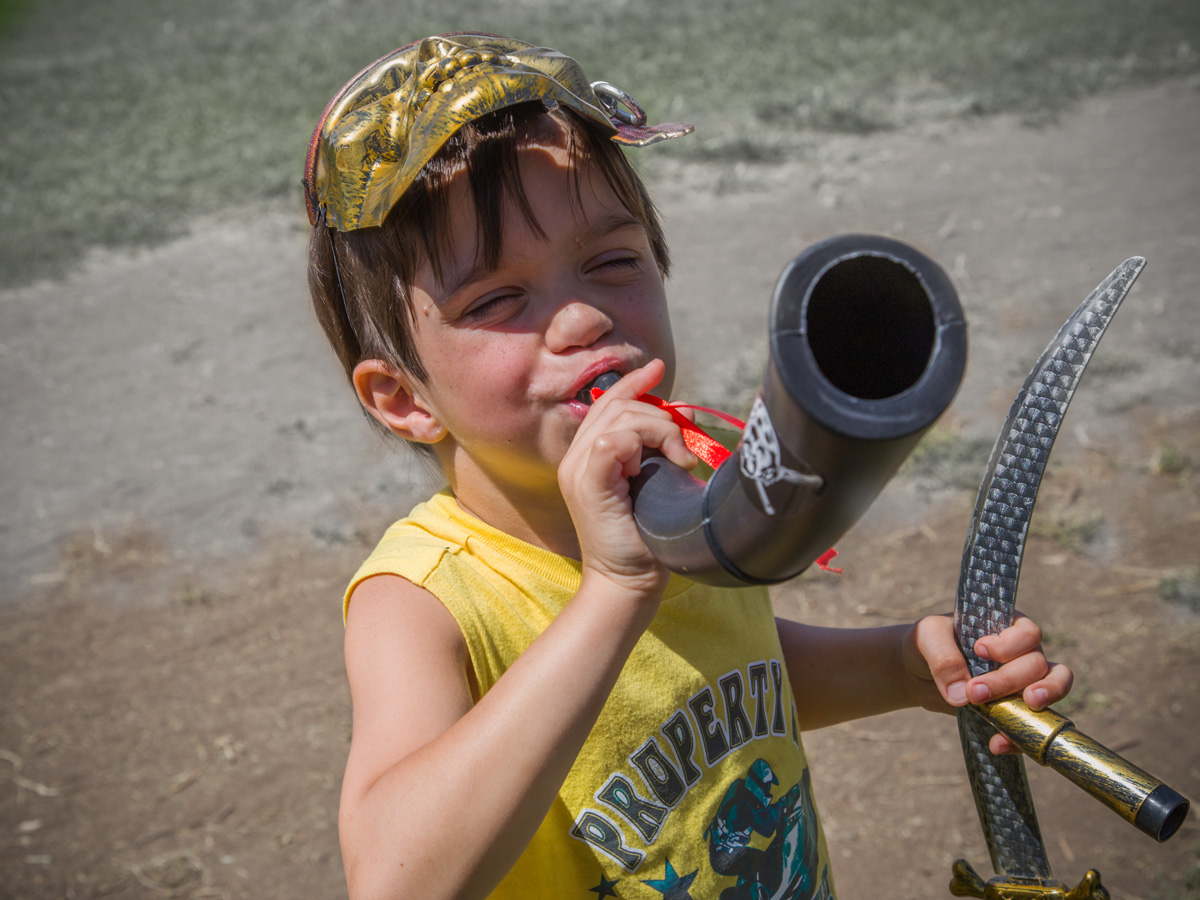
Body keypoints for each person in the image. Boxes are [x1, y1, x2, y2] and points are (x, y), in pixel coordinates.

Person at [302, 33, 1072, 900]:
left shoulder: (678, 488)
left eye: (612, 261)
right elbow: (394, 881)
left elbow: (716, 673)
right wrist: (612, 593)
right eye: (497, 299)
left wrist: (901, 664)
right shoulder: (422, 598)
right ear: (405, 398)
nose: (585, 316)